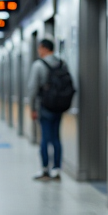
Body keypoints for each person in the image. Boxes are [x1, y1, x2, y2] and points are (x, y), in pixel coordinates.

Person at [26, 38, 73, 180]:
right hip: (58, 107)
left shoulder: (38, 65)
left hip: (45, 106)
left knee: (45, 138)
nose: (38, 51)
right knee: (56, 138)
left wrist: (32, 108)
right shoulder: (61, 63)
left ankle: (45, 169)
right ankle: (57, 169)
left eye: (39, 48)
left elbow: (32, 89)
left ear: (44, 48)